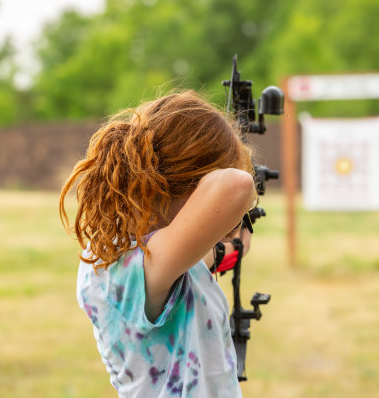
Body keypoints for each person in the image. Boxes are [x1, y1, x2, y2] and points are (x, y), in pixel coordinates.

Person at [58, 90, 257, 398]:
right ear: (191, 184)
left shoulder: (158, 258)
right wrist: (235, 203)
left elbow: (204, 257)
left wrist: (232, 243)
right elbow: (236, 185)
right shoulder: (127, 265)